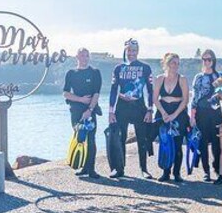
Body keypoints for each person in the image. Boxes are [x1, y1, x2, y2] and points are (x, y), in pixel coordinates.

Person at [108, 39, 154, 178]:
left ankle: (144, 169)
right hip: (122, 106)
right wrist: (111, 111)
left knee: (142, 138)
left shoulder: (145, 68)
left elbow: (150, 90)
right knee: (120, 138)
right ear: (125, 51)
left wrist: (150, 109)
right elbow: (113, 90)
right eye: (129, 50)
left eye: (134, 51)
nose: (131, 53)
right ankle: (119, 169)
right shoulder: (118, 68)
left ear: (138, 51)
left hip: (138, 105)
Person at [62, 48, 102, 177]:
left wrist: (90, 109)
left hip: (90, 110)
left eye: (86, 56)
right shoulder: (71, 73)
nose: (85, 58)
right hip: (75, 111)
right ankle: (81, 166)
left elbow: (96, 93)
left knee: (90, 139)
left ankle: (91, 169)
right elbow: (66, 93)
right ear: (77, 57)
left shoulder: (95, 72)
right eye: (82, 56)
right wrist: (80, 99)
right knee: (80, 138)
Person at [153, 53, 190, 182]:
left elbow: (185, 100)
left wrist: (174, 115)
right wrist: (163, 113)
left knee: (177, 143)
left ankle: (177, 173)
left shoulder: (182, 79)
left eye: (178, 63)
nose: (176, 66)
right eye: (173, 63)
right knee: (165, 142)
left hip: (178, 111)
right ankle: (165, 172)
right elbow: (155, 98)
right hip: (163, 110)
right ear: (167, 64)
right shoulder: (159, 79)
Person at [190, 49, 222, 182]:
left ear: (213, 60)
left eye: (209, 59)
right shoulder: (198, 77)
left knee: (216, 142)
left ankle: (217, 168)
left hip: (216, 113)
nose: (206, 62)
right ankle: (206, 171)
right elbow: (194, 98)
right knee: (203, 142)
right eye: (204, 59)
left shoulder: (220, 76)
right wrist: (192, 116)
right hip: (202, 112)